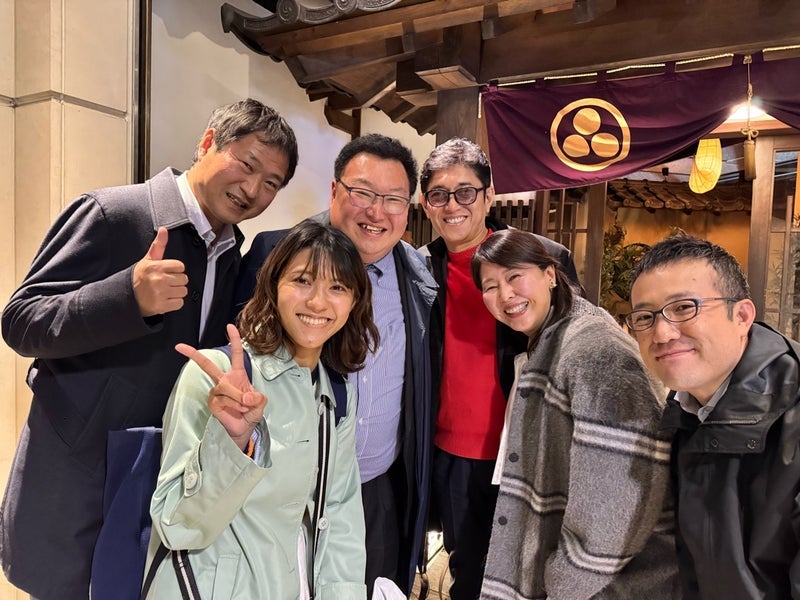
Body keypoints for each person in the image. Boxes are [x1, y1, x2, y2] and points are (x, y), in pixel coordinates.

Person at [0, 98, 298, 600]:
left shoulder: (232, 254)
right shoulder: (113, 214)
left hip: (158, 476)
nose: (253, 190)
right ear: (207, 143)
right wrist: (127, 297)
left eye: (272, 183)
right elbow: (22, 320)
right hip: (79, 475)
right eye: (247, 165)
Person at [231, 133, 437, 595]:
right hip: (280, 491)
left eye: (393, 199)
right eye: (362, 192)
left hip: (375, 489)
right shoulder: (274, 254)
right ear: (334, 190)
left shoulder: (419, 277)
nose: (377, 212)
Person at [144, 221, 376, 599]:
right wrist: (232, 445)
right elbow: (175, 525)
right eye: (302, 280)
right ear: (273, 285)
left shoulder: (335, 394)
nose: (318, 302)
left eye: (337, 287)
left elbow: (340, 514)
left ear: (355, 301)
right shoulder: (216, 378)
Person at [471, 229, 678, 599]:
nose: (505, 295)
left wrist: (563, 585)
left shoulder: (596, 350)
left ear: (550, 274)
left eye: (515, 276)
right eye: (490, 286)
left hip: (608, 586)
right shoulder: (552, 338)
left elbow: (616, 508)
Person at [418, 137, 581, 599]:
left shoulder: (539, 256)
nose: (453, 205)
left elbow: (574, 341)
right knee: (470, 573)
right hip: (452, 455)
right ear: (426, 204)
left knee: (536, 572)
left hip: (525, 451)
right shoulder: (419, 267)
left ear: (489, 196)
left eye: (466, 191)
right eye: (438, 194)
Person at [627, 232, 800, 599]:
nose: (661, 333)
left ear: (742, 315)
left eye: (683, 308)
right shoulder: (685, 410)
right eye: (644, 316)